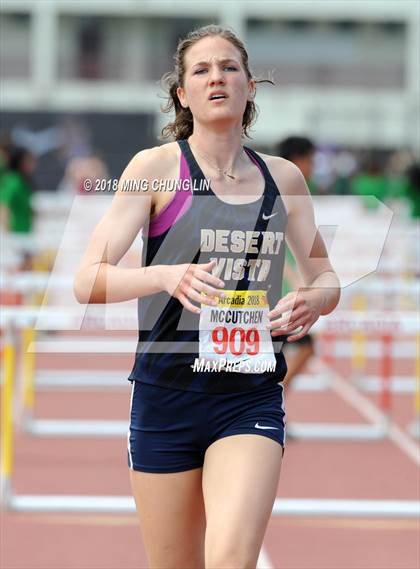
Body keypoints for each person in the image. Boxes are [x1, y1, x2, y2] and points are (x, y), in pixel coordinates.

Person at [74, 25, 340, 569]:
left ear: (251, 87)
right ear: (182, 93)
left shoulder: (283, 178)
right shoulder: (154, 170)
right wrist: (164, 276)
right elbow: (88, 280)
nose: (216, 77)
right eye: (201, 70)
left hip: (249, 397)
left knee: (230, 561)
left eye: (229, 67)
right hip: (164, 395)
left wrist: (314, 299)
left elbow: (325, 278)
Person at [275, 136, 317, 395]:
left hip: (282, 293)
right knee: (304, 348)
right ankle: (272, 401)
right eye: (310, 161)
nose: (312, 167)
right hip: (277, 295)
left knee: (301, 349)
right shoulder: (282, 191)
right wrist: (295, 283)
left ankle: (272, 403)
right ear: (298, 161)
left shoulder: (292, 190)